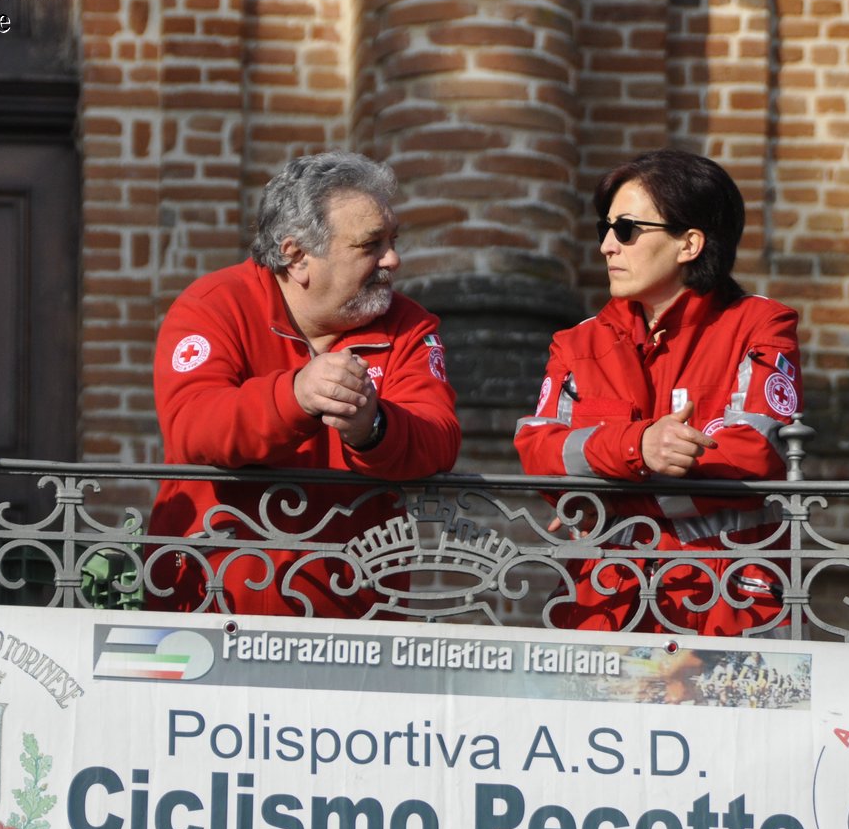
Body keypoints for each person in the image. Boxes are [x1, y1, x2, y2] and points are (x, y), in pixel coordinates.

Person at [148, 151, 460, 617]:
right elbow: (193, 427)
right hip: (210, 607)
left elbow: (439, 437)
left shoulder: (410, 326)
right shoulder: (214, 306)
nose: (392, 259)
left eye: (393, 240)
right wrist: (295, 396)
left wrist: (372, 428)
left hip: (358, 620)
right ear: (296, 257)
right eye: (370, 244)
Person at [514, 149, 801, 636]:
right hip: (603, 608)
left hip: (727, 607)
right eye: (603, 228)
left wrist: (607, 493)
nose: (607, 245)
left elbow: (757, 451)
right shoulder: (576, 342)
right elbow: (537, 453)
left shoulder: (762, 323)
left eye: (625, 229)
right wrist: (639, 448)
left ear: (688, 243)